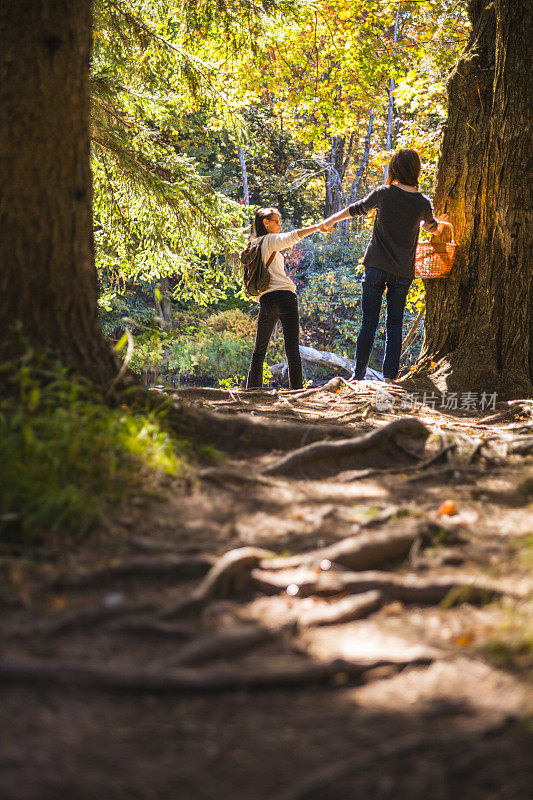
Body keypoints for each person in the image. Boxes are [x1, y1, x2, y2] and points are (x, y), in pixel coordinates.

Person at [321, 148, 452, 382]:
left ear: (395, 169)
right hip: (403, 271)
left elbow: (357, 209)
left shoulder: (384, 193)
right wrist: (432, 223)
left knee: (368, 323)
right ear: (416, 171)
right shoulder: (422, 203)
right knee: (394, 325)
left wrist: (331, 219)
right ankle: (390, 379)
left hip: (376, 267)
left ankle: (358, 375)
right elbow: (432, 228)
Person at [245, 208, 326, 390]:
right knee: (292, 349)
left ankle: (251, 392)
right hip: (285, 297)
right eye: (276, 221)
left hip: (266, 300)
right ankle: (297, 391)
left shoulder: (251, 247)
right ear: (265, 222)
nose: (280, 226)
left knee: (259, 351)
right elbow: (292, 236)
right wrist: (316, 227)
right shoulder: (270, 240)